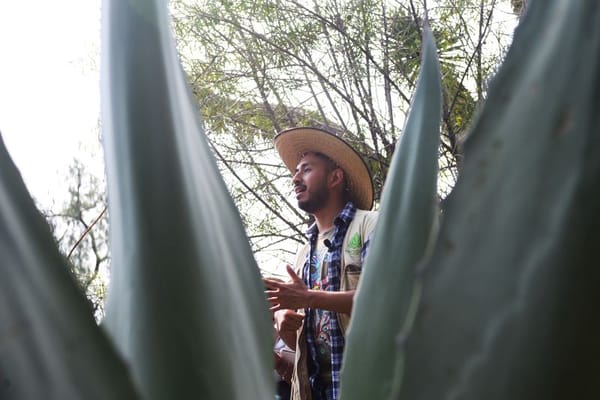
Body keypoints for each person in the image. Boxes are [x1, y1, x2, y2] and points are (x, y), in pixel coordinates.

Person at [264, 127, 377, 400]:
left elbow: (385, 297)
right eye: (295, 172)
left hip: (372, 384)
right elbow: (310, 350)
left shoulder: (370, 225)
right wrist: (285, 325)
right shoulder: (304, 254)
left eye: (305, 169)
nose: (295, 178)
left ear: (335, 177)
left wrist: (308, 297)